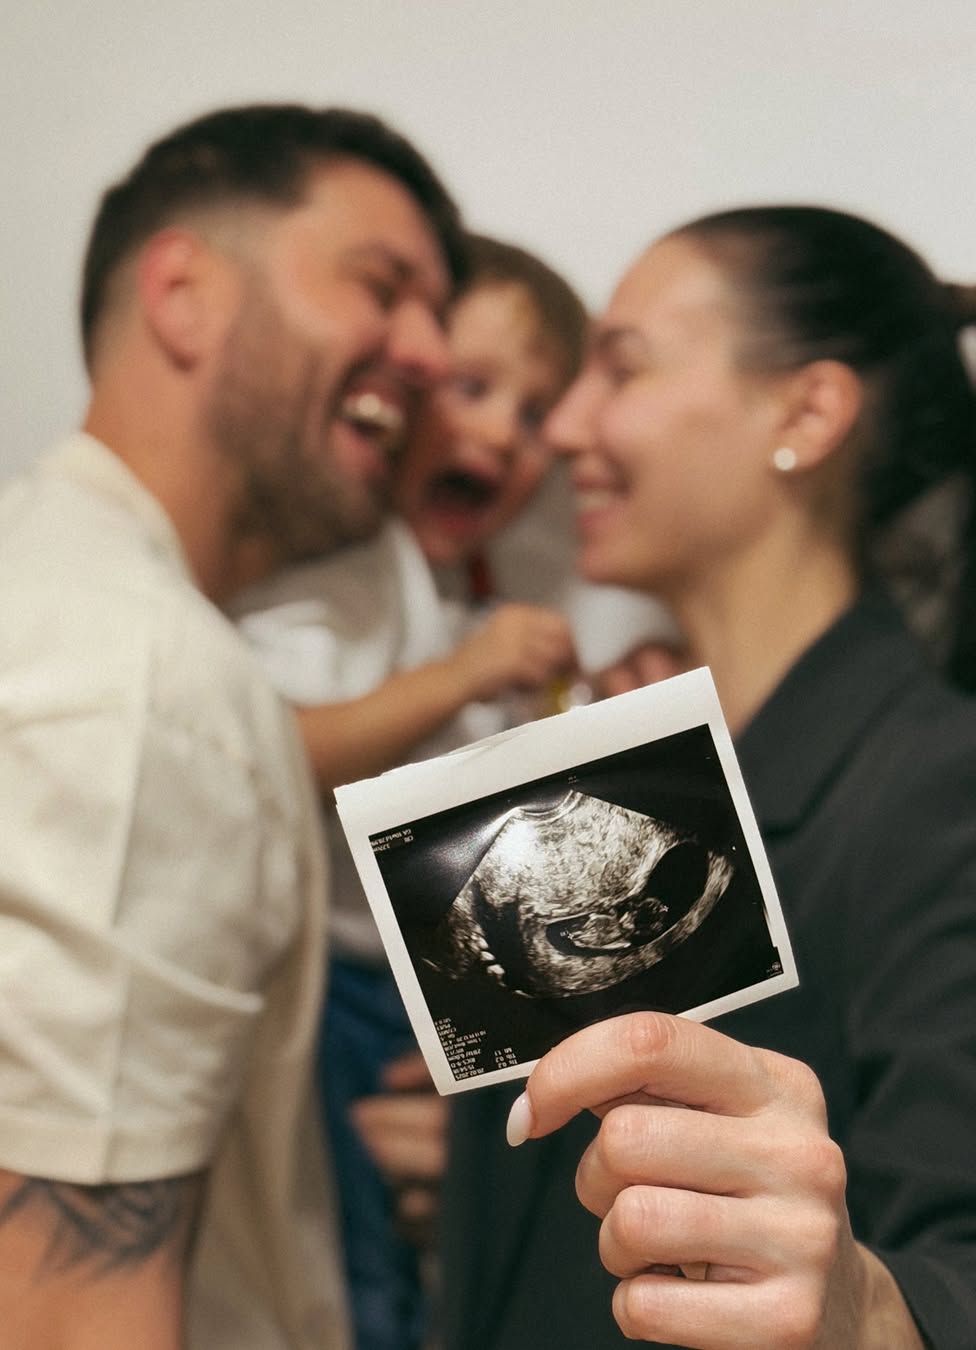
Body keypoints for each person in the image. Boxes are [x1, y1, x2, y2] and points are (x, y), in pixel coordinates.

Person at [437, 206, 976, 1349]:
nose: (565, 425)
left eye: (623, 367)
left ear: (805, 413)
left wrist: (864, 1307)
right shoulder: (598, 778)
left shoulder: (958, 787)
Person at [0, 101, 470, 1350]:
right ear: (181, 294)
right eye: (382, 286)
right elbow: (63, 1322)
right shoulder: (140, 685)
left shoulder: (13, 574)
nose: (429, 357)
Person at [232, 232, 589, 1350]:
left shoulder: (447, 591)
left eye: (536, 416)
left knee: (424, 1259)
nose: (501, 436)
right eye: (473, 390)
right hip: (329, 980)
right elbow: (279, 744)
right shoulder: (336, 569)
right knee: (351, 1268)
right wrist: (463, 675)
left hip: (413, 979)